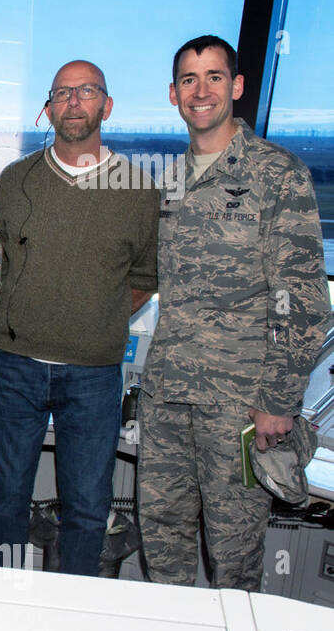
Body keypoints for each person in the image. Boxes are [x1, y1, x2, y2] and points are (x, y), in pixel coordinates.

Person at [138, 35, 332, 590]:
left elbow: (303, 301)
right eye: (190, 81)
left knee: (235, 557)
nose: (202, 92)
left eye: (215, 77)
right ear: (174, 94)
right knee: (164, 544)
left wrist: (276, 402)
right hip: (168, 396)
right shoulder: (172, 180)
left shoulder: (277, 175)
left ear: (238, 86)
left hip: (240, 408)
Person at [0, 60, 159, 576]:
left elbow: (143, 279)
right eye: (62, 93)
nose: (74, 102)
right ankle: (3, 602)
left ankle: (76, 616)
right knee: (6, 498)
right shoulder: (15, 181)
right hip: (14, 368)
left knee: (87, 507)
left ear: (107, 105)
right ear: (48, 107)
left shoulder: (138, 189)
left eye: (86, 91)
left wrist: (89, 318)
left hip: (93, 375)